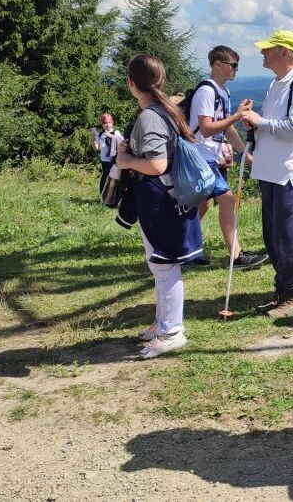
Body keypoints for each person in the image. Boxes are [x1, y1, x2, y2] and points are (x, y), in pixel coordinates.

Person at [115, 54, 205, 359]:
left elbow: (157, 164)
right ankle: (162, 322)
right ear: (161, 81)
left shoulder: (150, 116)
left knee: (165, 265)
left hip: (160, 201)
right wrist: (131, 150)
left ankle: (171, 331)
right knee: (160, 264)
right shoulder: (163, 110)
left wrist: (126, 160)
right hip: (167, 198)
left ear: (130, 82)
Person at [239, 30, 293, 317]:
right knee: (274, 237)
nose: (263, 53)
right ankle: (285, 289)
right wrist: (256, 124)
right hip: (271, 172)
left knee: (289, 237)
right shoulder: (278, 83)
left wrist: (260, 122)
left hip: (289, 174)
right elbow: (275, 125)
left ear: (284, 52)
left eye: (268, 49)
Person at [188, 46, 267, 270]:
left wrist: (245, 154)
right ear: (217, 65)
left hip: (210, 155)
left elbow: (227, 129)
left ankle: (183, 247)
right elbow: (206, 128)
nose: (236, 69)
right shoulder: (207, 91)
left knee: (203, 203)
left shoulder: (223, 92)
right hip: (201, 155)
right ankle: (237, 255)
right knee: (227, 199)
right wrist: (237, 115)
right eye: (233, 65)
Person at [93, 113, 123, 195]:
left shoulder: (115, 132)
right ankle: (105, 196)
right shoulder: (100, 134)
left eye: (109, 122)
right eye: (105, 123)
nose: (107, 125)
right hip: (104, 160)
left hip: (113, 160)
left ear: (112, 123)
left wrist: (110, 136)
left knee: (107, 178)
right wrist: (93, 140)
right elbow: (97, 148)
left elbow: (121, 141)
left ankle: (107, 196)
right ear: (102, 124)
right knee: (106, 178)